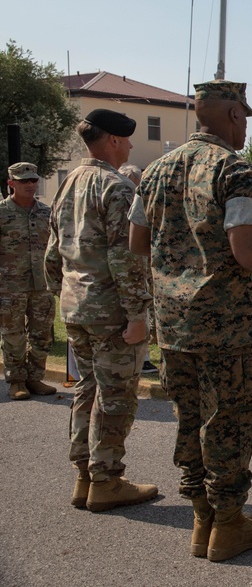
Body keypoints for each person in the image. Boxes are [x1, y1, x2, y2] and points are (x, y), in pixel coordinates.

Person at [129, 80, 252, 562]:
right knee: (229, 423)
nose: (248, 126)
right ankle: (228, 525)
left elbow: (137, 243)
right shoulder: (235, 170)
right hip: (227, 329)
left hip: (173, 327)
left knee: (190, 420)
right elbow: (249, 254)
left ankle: (201, 519)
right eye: (247, 117)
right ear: (233, 115)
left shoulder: (155, 170)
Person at [44, 109, 157, 513]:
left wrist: (61, 291)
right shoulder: (117, 187)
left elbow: (52, 249)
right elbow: (125, 257)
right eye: (126, 140)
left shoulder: (68, 183)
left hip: (76, 306)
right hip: (111, 310)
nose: (128, 146)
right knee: (116, 395)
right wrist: (138, 314)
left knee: (87, 390)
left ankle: (85, 477)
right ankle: (107, 481)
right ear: (112, 141)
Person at [1, 162, 56, 400]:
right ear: (11, 183)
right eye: (24, 181)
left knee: (42, 334)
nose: (30, 185)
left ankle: (35, 378)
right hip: (9, 286)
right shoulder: (2, 213)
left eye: (33, 180)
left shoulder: (46, 212)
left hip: (42, 285)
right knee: (13, 335)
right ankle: (17, 381)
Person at [118, 163, 157, 375]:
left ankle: (144, 357)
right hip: (127, 270)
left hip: (144, 267)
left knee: (147, 312)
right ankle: (140, 359)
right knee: (134, 313)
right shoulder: (119, 204)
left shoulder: (142, 204)